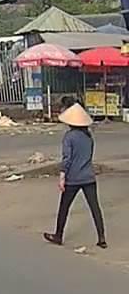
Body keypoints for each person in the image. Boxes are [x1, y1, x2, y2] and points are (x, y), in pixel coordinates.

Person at [44, 102, 107, 249]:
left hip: (73, 178)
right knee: (95, 208)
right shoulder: (89, 137)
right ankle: (101, 238)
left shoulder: (69, 137)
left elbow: (67, 158)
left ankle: (58, 235)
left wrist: (62, 176)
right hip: (89, 177)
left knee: (64, 208)